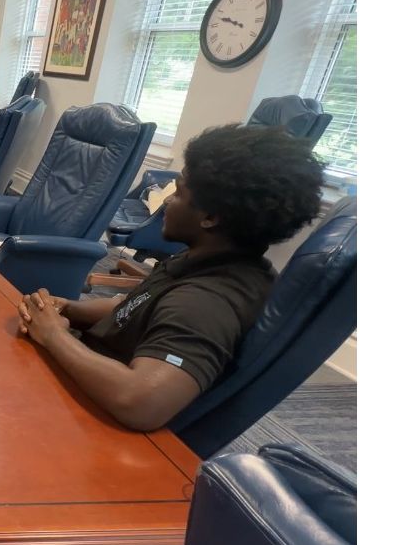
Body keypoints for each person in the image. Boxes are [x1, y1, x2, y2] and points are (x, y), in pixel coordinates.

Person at [16, 124, 324, 432]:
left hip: (89, 420)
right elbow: (135, 306)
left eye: (179, 192)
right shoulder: (209, 257)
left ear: (210, 217)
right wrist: (67, 309)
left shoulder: (205, 302)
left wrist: (54, 335)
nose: (166, 202)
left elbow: (142, 402)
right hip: (82, 375)